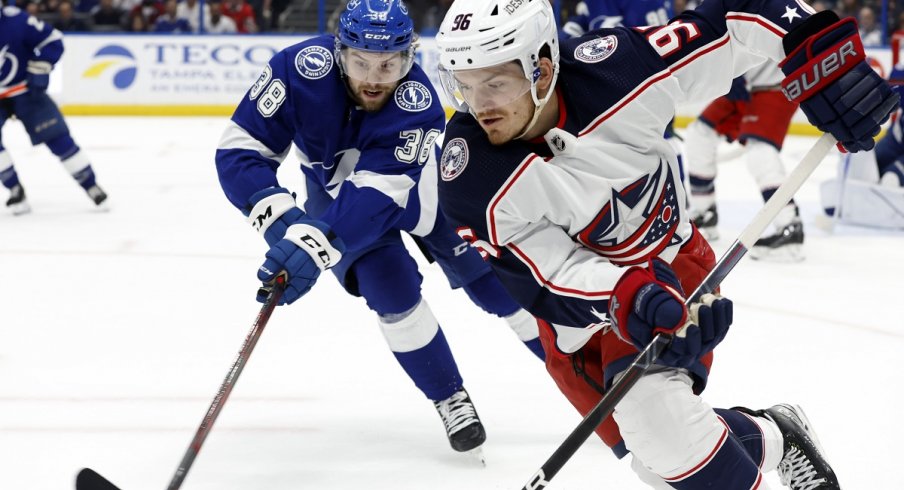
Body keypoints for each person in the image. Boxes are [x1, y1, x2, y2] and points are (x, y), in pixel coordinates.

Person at [435, 0, 896, 488]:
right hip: (581, 317)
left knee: (664, 431)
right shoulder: (471, 176)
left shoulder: (619, 69)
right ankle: (775, 433)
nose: (478, 103)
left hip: (672, 262)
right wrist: (628, 295)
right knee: (656, 462)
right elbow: (550, 275)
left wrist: (822, 51)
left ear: (543, 68)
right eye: (463, 85)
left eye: (495, 83)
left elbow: (736, 18)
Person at [215, 0, 545, 457]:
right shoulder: (296, 71)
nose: (374, 78)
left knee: (500, 291)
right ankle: (449, 396)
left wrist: (313, 245)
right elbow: (239, 150)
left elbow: (377, 196)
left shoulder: (419, 105)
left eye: (390, 64)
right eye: (361, 62)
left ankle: (586, 370)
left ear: (409, 57)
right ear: (338, 52)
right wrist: (281, 221)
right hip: (336, 207)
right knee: (390, 293)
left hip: (432, 201)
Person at [685, 61, 802, 261]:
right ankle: (705, 213)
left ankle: (790, 226)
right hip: (744, 81)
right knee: (699, 134)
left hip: (776, 85)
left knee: (760, 153)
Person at [0, 6, 108, 215]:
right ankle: (14, 188)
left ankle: (90, 184)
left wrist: (40, 67)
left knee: (57, 137)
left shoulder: (16, 20)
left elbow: (53, 40)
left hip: (25, 91)